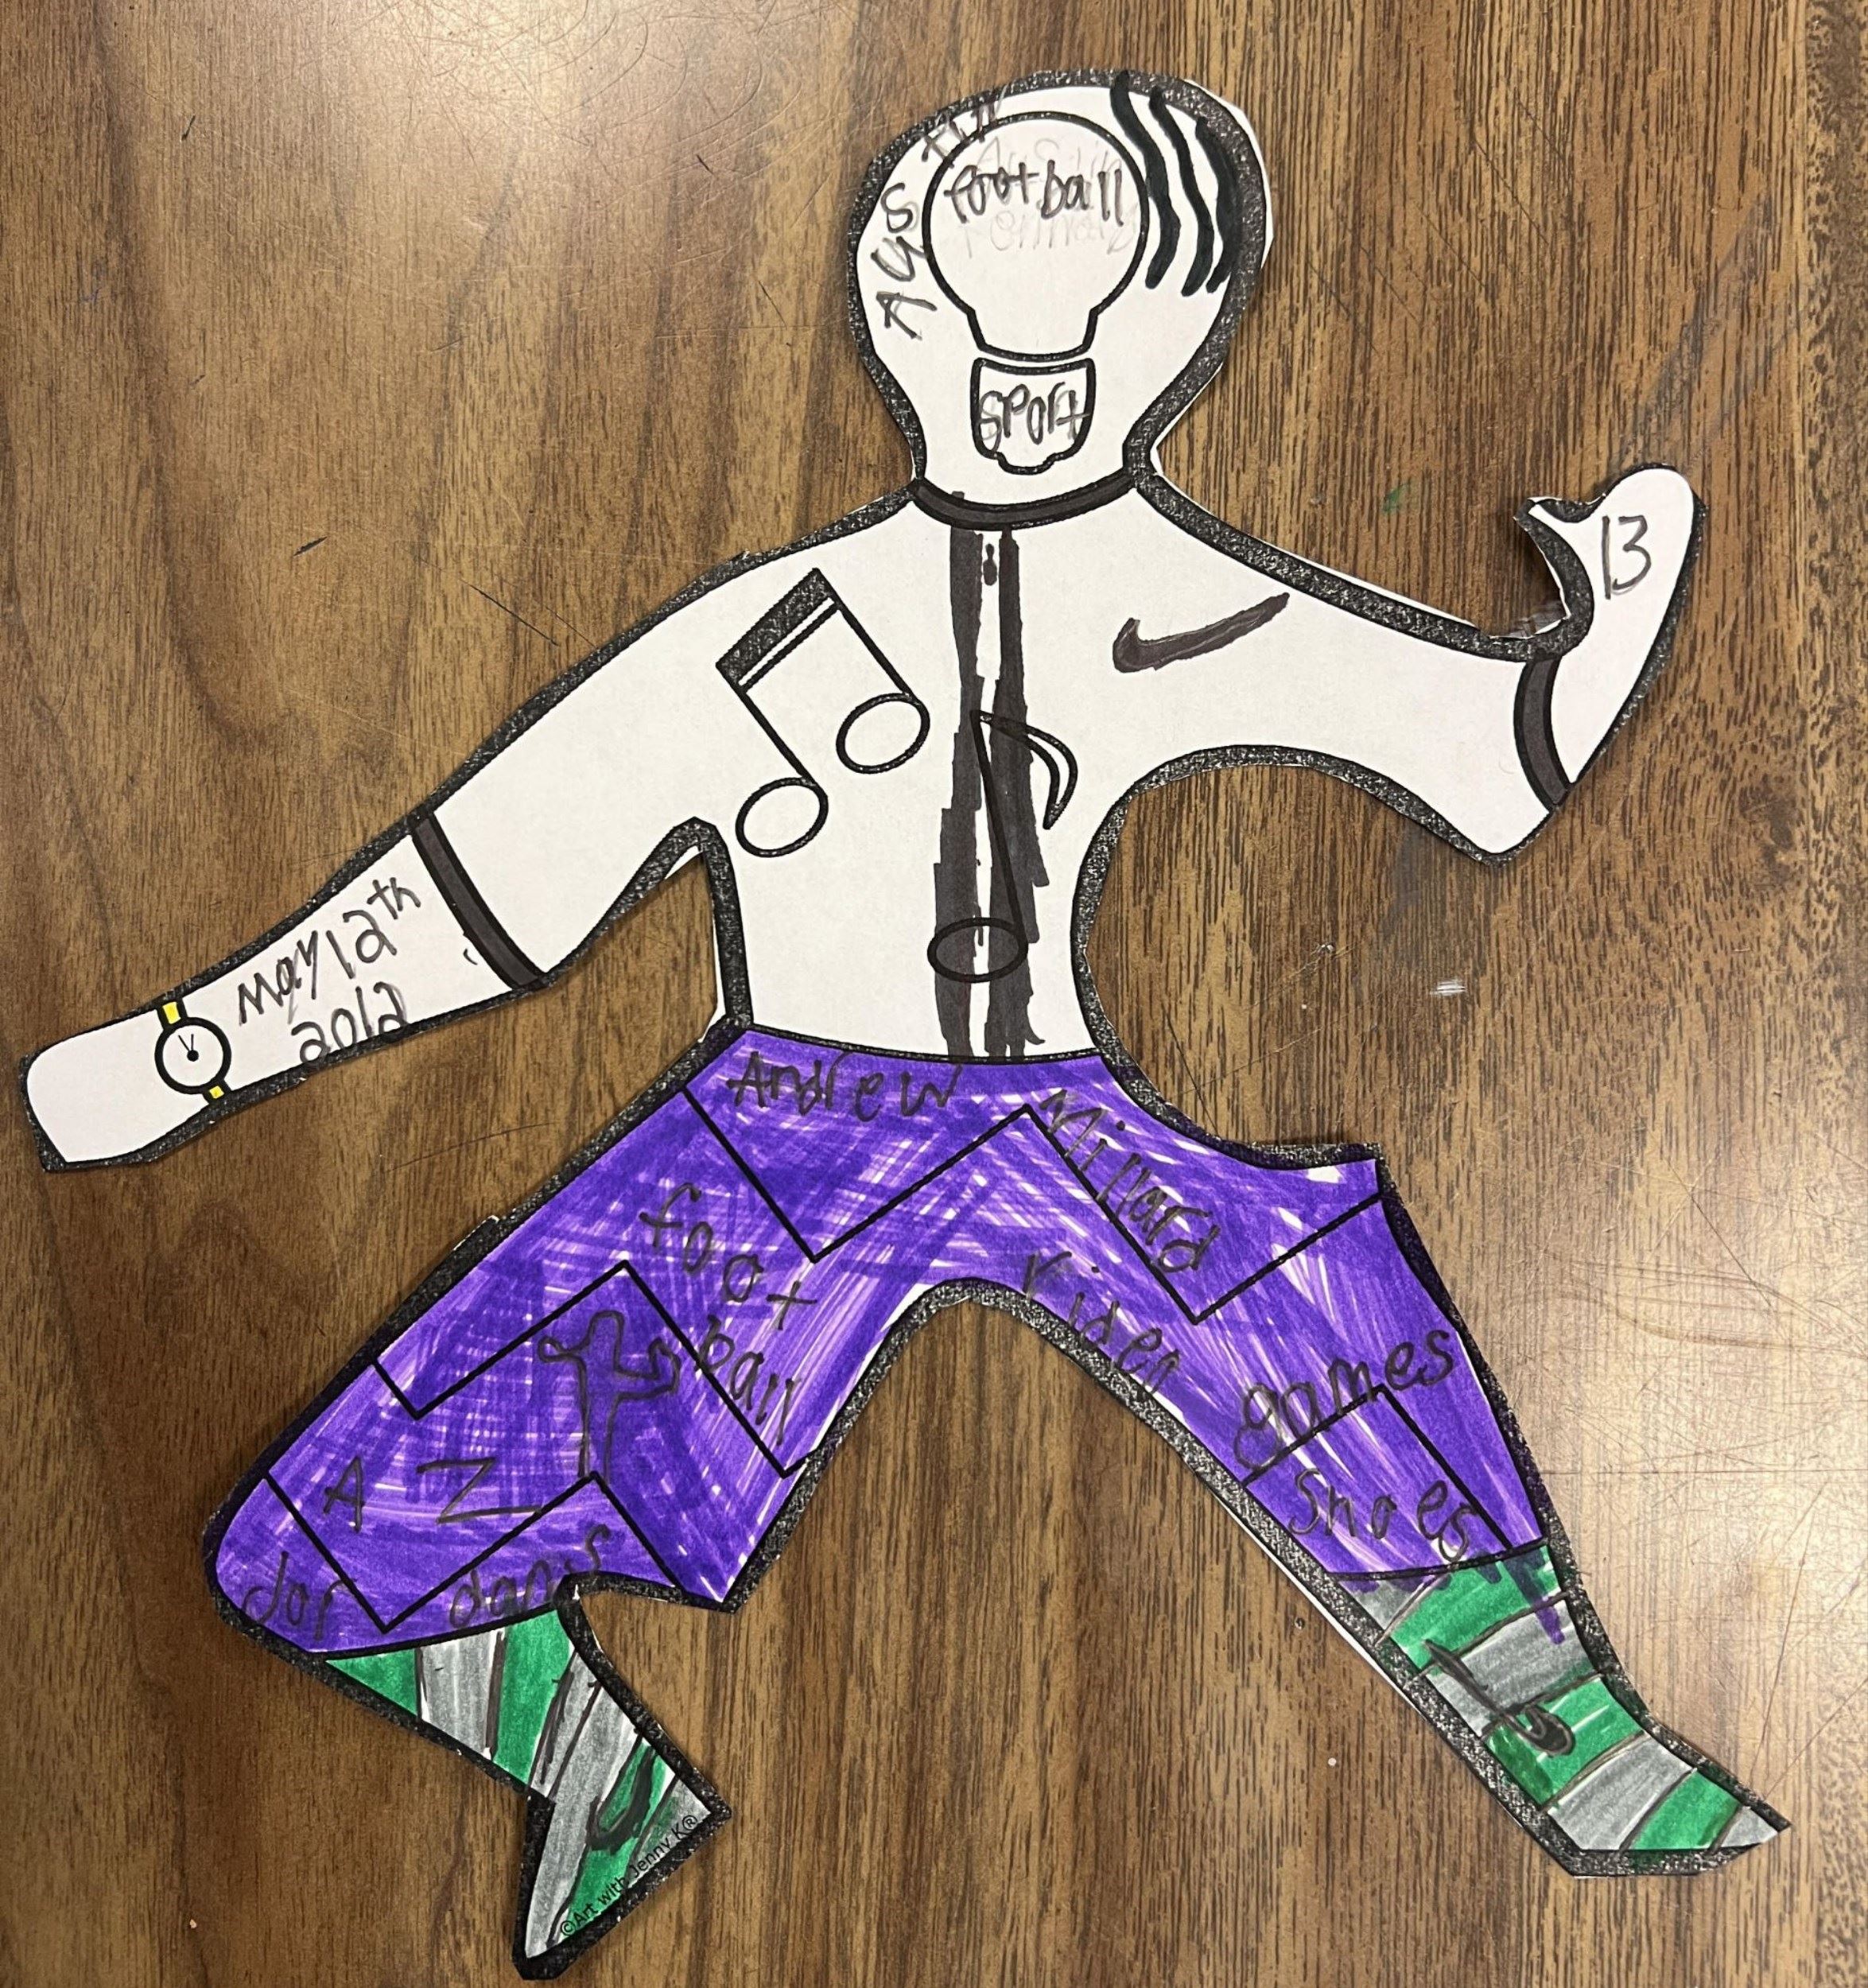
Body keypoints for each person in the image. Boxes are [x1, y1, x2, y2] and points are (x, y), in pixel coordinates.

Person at [22, 69, 1783, 1980]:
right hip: (793, 1132)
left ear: (1168, 327)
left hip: (1078, 1126)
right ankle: (590, 1770)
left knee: (1334, 1342)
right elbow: (486, 882)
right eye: (984, 312)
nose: (1031, 381)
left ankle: (1587, 1753)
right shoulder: (767, 630)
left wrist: (1600, 631)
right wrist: (210, 1039)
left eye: (1087, 317)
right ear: (902, 307)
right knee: (322, 1536)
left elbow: (1483, 762)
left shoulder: (1185, 595)